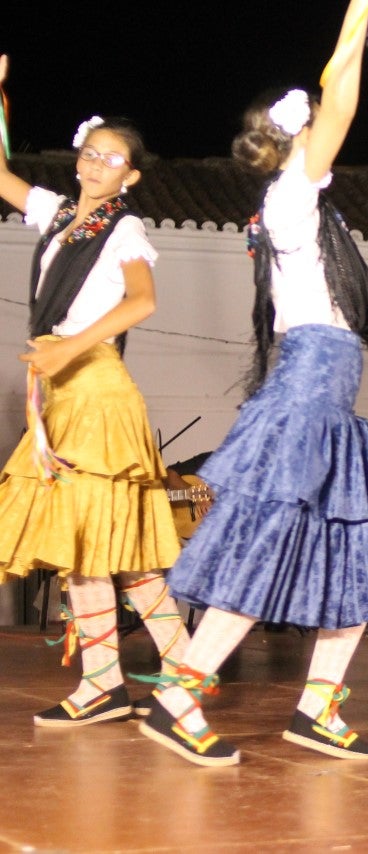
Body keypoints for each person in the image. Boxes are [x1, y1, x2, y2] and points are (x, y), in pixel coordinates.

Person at [138, 2, 368, 767]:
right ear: (291, 144)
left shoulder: (317, 222)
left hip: (329, 401)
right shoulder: (290, 199)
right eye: (309, 135)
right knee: (264, 547)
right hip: (305, 399)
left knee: (360, 548)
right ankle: (177, 697)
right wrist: (359, 13)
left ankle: (318, 711)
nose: (323, 141)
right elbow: (340, 99)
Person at [0, 55, 192, 727]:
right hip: (61, 391)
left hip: (97, 389)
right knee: (86, 547)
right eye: (90, 152)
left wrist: (68, 348)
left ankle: (185, 672)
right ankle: (105, 684)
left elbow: (142, 302)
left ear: (130, 176)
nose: (96, 163)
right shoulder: (55, 215)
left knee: (119, 548)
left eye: (111, 158)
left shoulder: (125, 229)